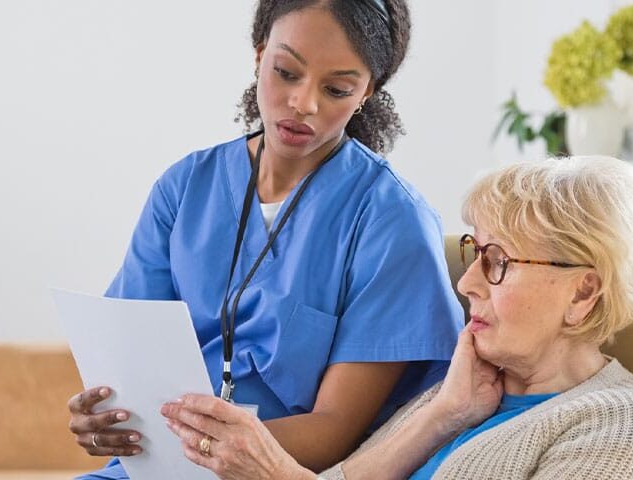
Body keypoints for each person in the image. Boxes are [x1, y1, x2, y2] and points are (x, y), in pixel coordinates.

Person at [67, 0, 464, 477]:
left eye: (337, 89)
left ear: (367, 92)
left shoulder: (392, 221)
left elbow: (335, 431)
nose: (303, 103)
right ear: (259, 56)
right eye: (286, 73)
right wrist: (107, 419)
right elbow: (128, 353)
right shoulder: (185, 188)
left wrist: (200, 447)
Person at [161, 156, 633, 479]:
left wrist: (274, 475)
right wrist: (443, 415)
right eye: (474, 253)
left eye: (498, 262)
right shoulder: (459, 393)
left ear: (583, 293)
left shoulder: (627, 429)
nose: (467, 284)